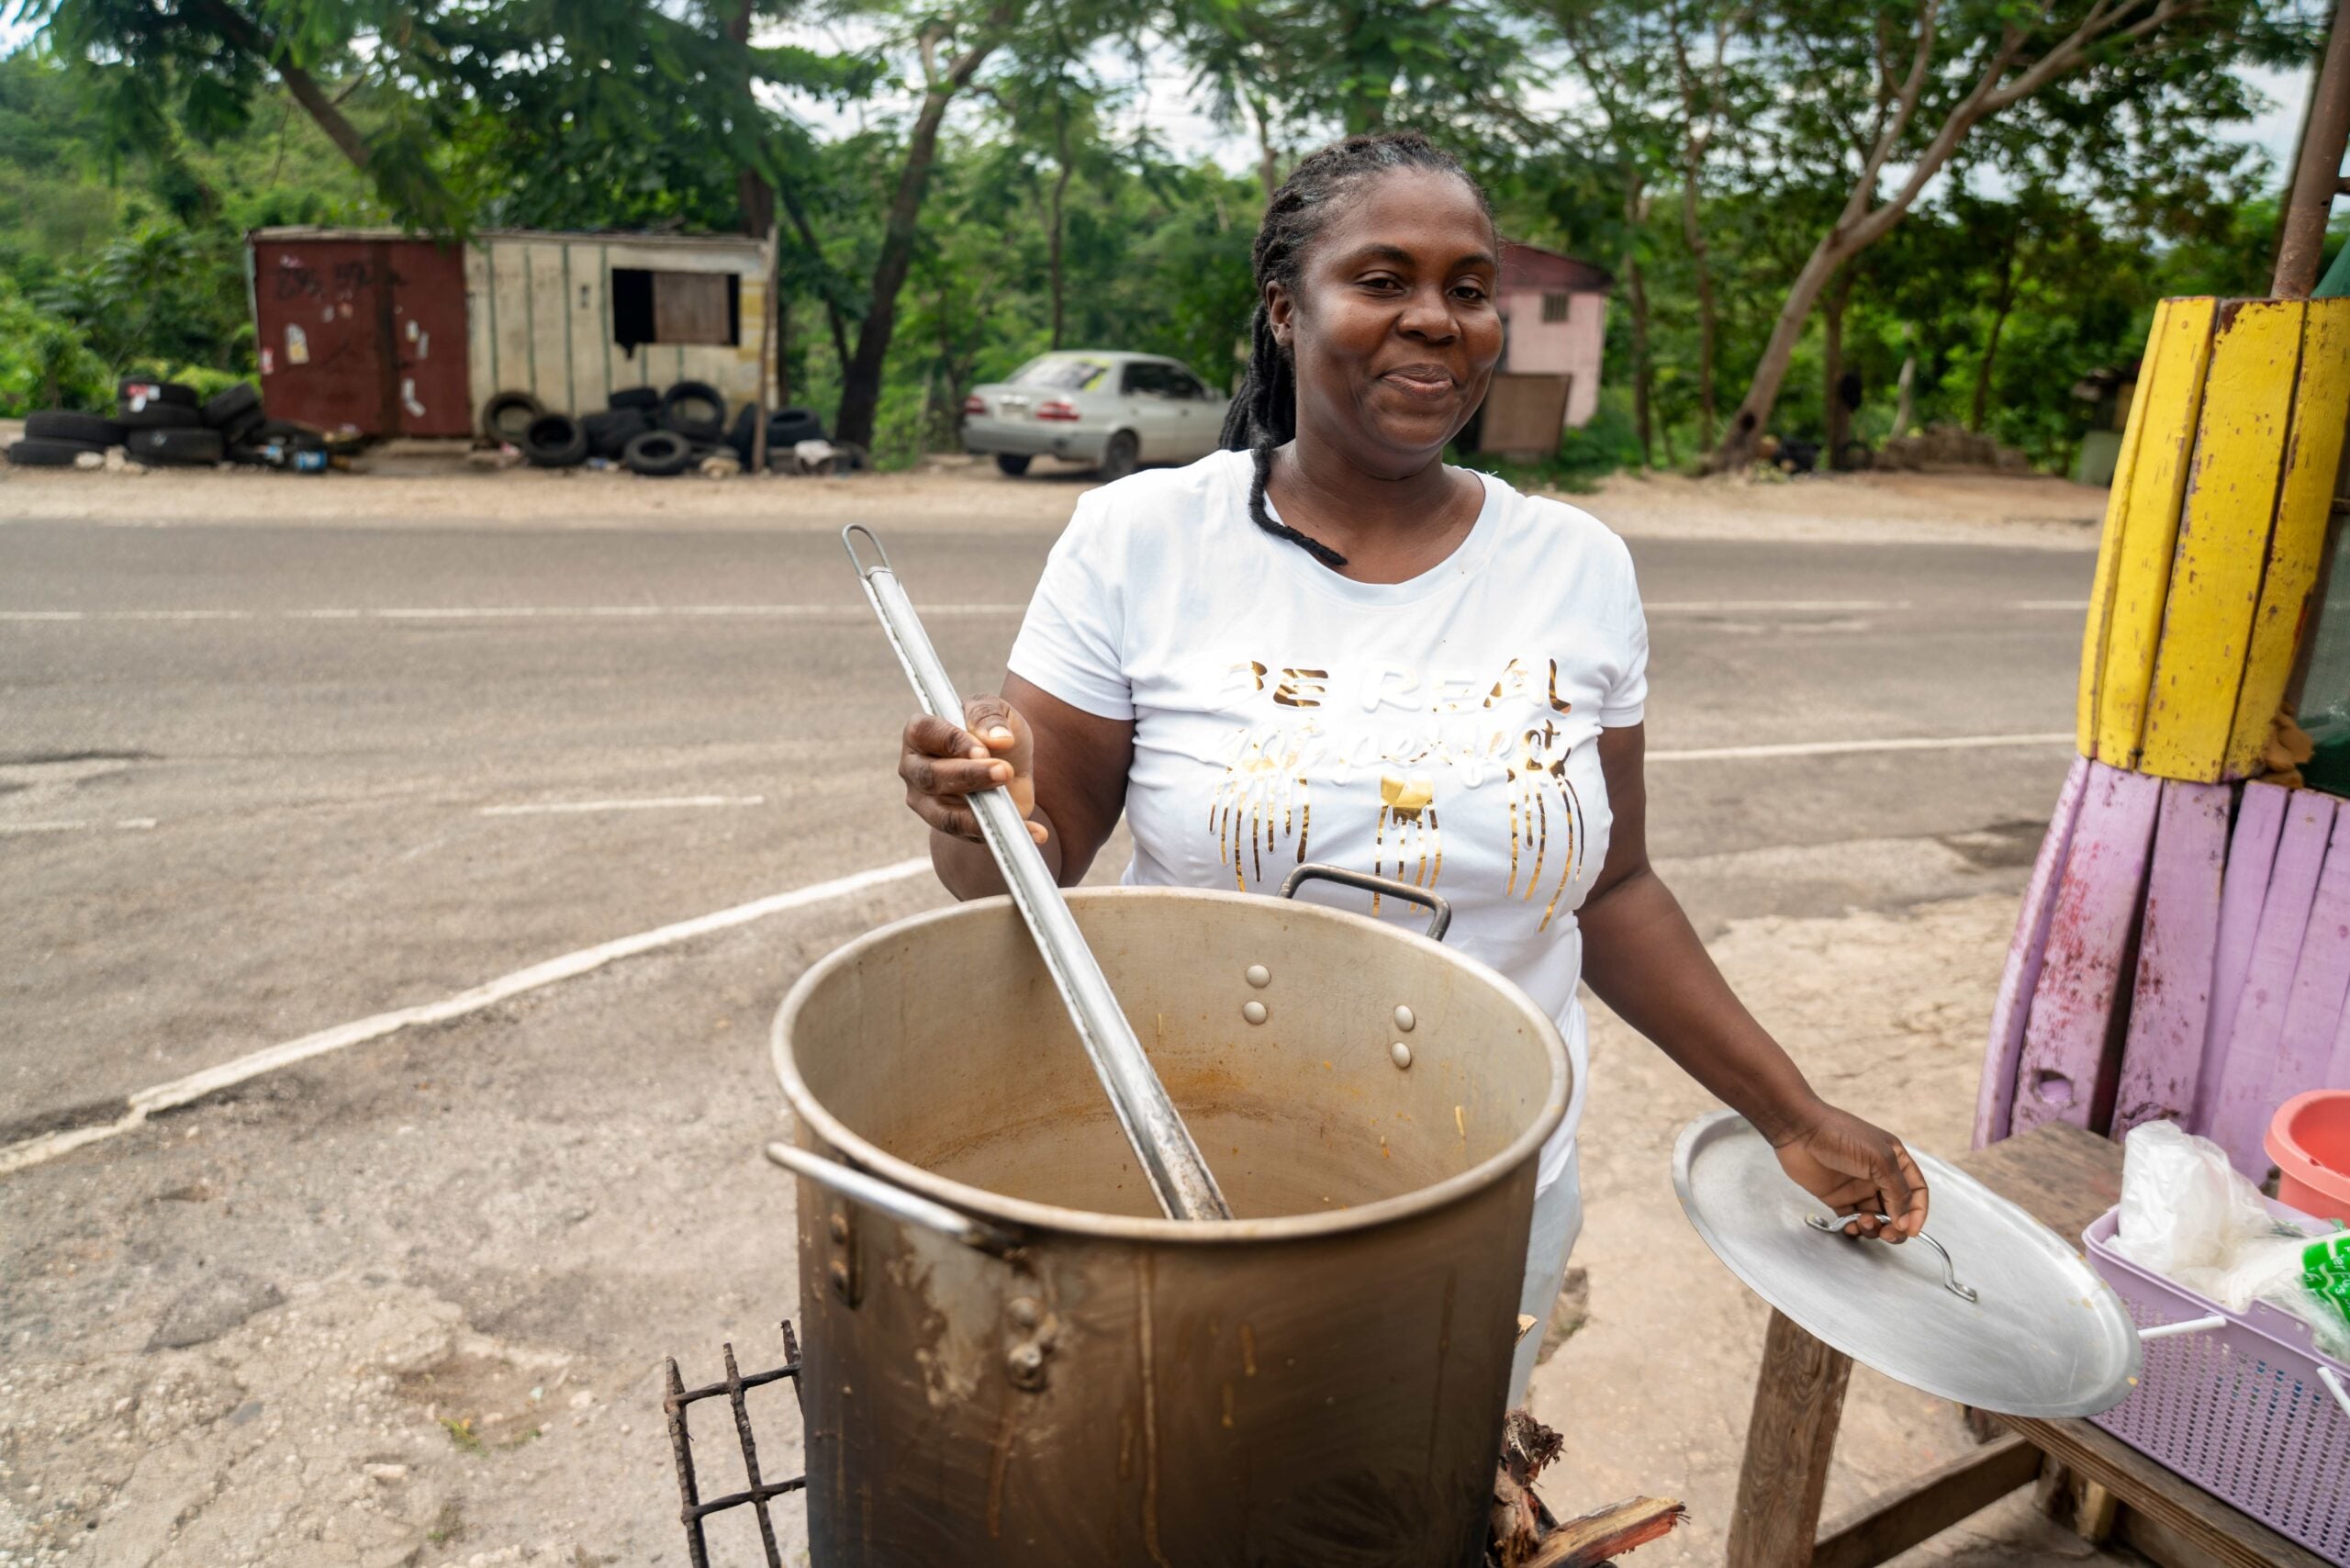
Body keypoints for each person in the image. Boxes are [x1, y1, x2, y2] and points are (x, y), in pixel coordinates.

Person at [898, 130, 1928, 1405]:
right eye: (1383, 281)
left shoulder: (1577, 567)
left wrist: (1791, 1111)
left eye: (1470, 287)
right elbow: (1025, 870)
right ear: (1285, 309)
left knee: (1418, 1501)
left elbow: (1608, 891)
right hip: (1191, 1184)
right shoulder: (1145, 537)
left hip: (1489, 1195)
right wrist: (973, 808)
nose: (1436, 321)